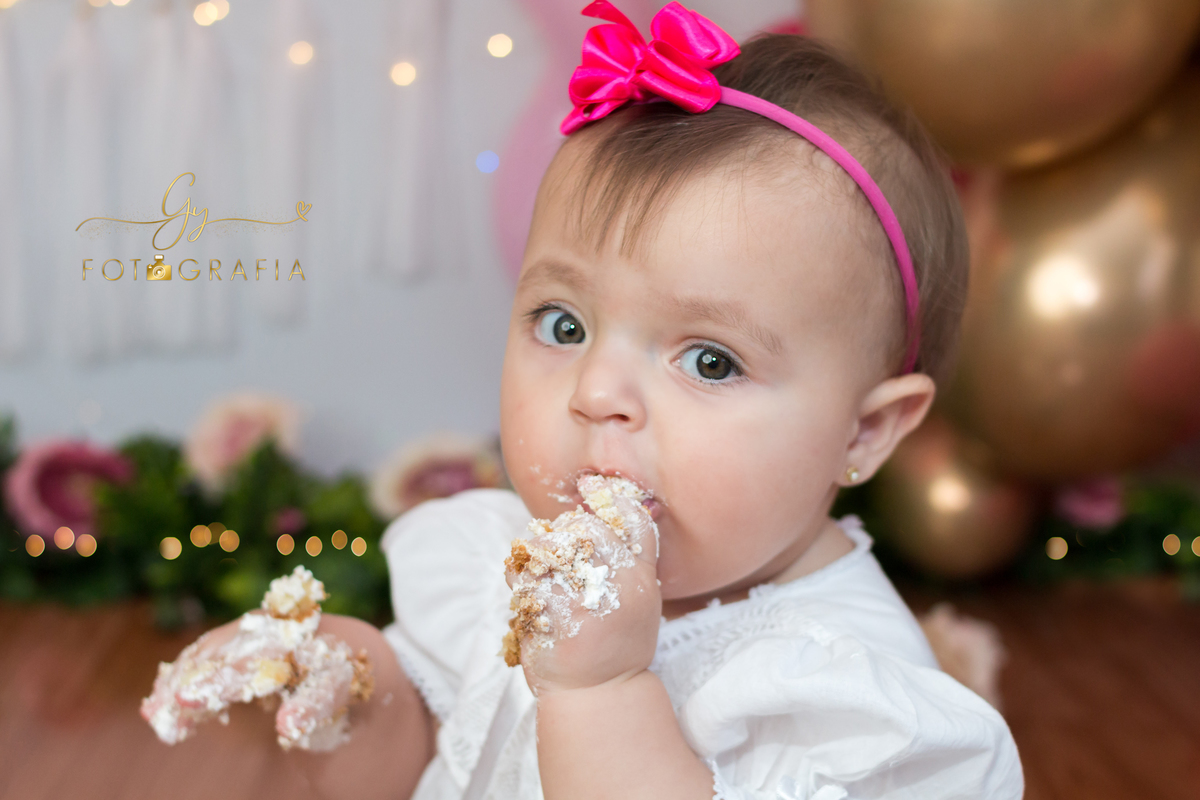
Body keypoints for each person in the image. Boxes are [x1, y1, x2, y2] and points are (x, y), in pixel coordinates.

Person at [160, 3, 1023, 798]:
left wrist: (600, 690)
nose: (596, 393)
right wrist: (352, 685)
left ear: (865, 431)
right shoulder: (504, 564)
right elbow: (431, 767)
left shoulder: (837, 694)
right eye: (564, 324)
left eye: (712, 361)